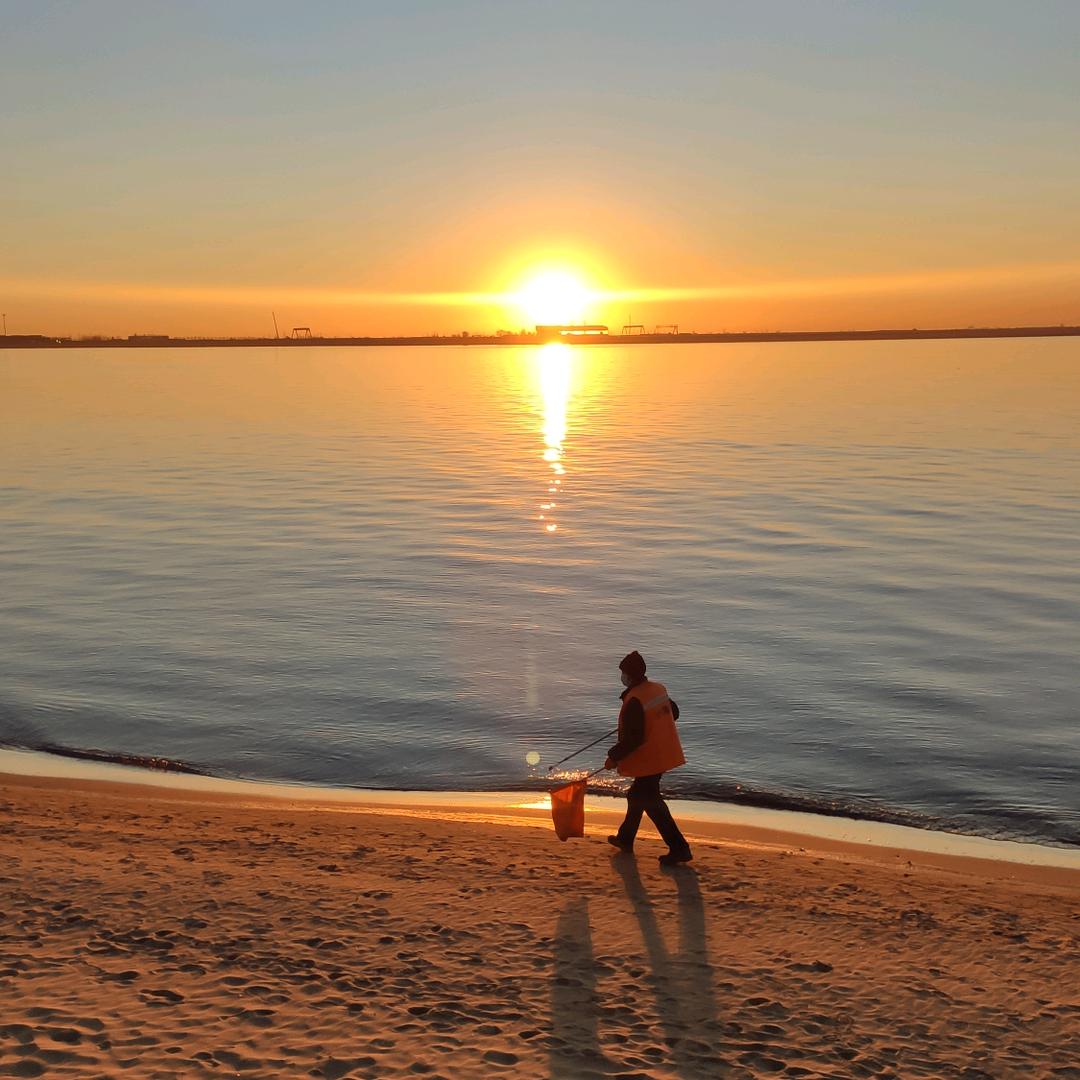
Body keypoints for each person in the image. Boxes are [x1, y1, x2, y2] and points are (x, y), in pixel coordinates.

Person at [603, 651, 693, 866]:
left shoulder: (635, 700)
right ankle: (625, 839)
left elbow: (633, 739)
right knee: (637, 795)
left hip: (652, 757)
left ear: (630, 675)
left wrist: (613, 757)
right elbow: (674, 712)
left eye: (623, 673)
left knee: (651, 802)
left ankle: (680, 848)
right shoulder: (657, 688)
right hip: (664, 752)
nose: (622, 677)